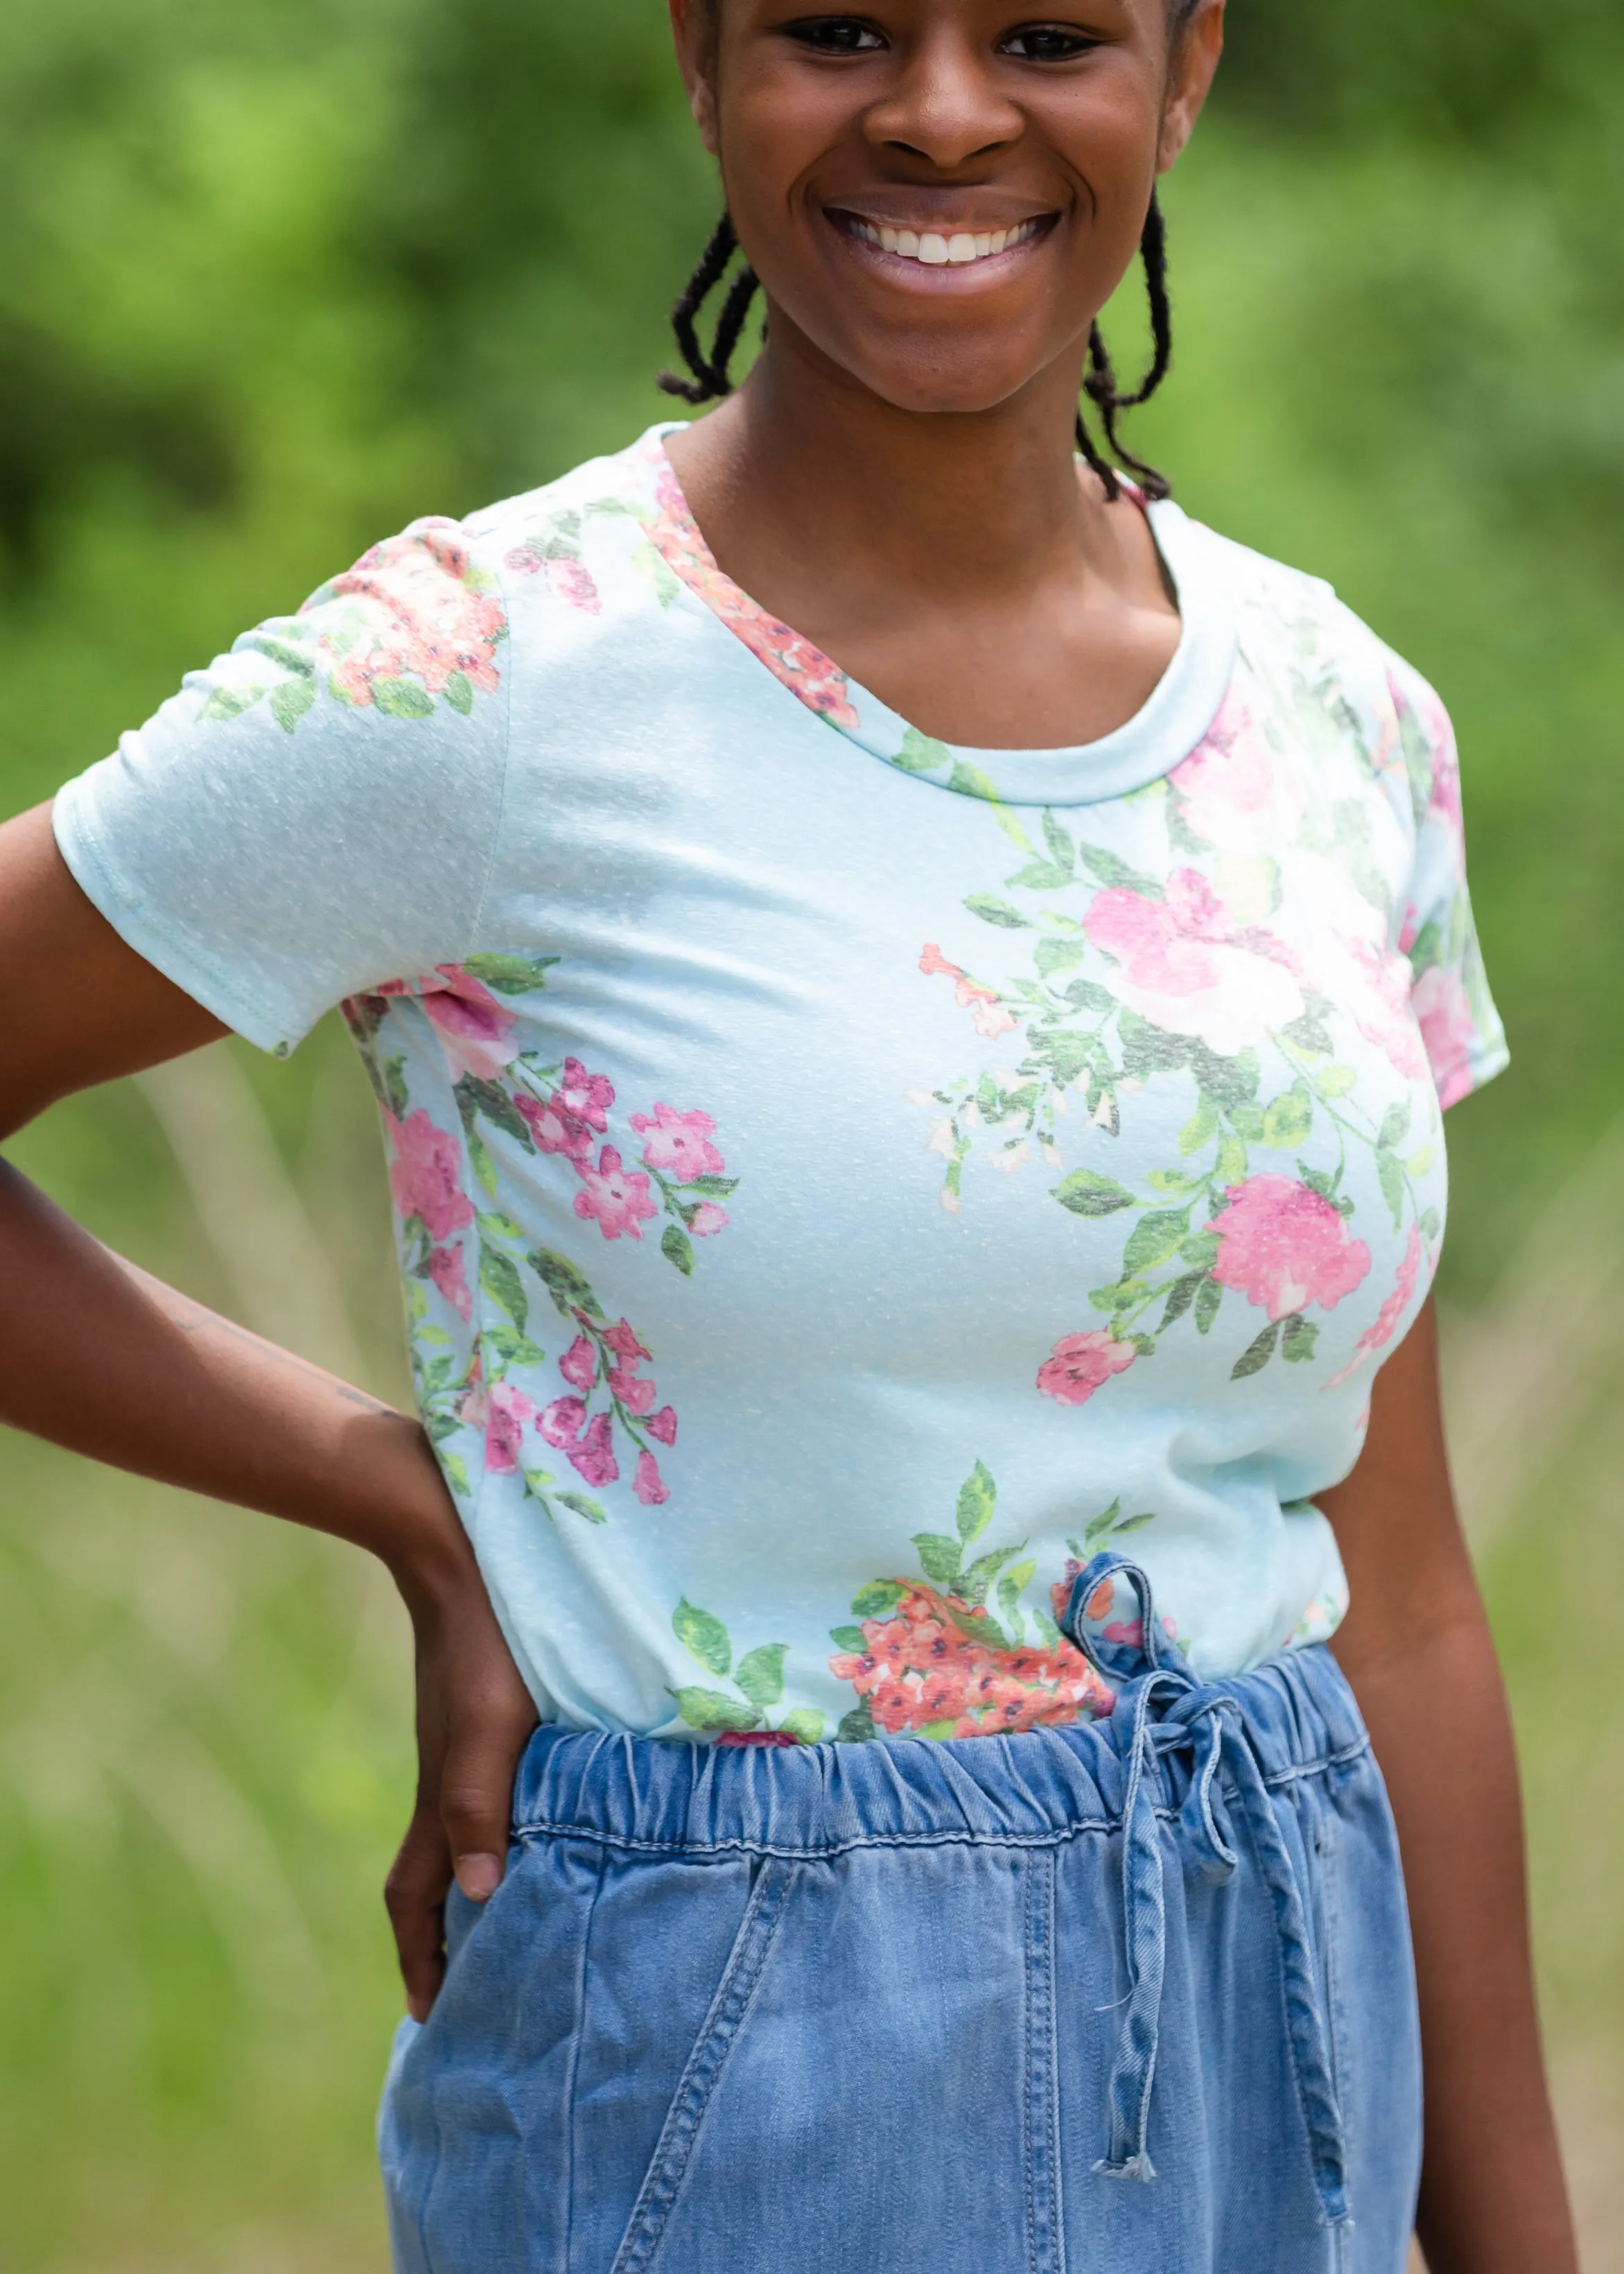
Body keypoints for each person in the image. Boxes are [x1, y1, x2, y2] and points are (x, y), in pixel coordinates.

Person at [0, 1, 1580, 2267]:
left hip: (1280, 2008)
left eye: (1044, 32)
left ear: (1186, 64)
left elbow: (1399, 1592)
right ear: (700, 55)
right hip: (752, 2070)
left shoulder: (1331, 714)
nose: (941, 110)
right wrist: (401, 1500)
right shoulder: (489, 676)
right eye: (838, 27)